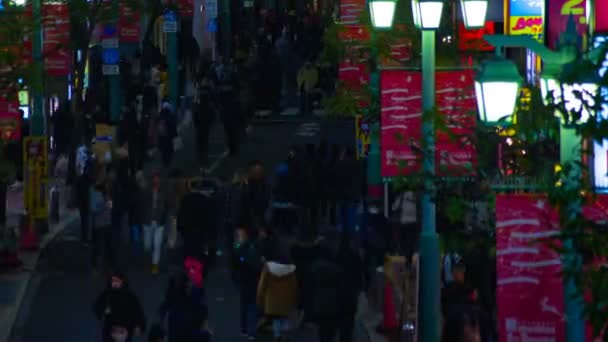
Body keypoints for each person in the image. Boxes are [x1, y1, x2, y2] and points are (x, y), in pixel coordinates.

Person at [93, 272, 146, 342]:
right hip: (110, 330)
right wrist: (103, 310)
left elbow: (137, 312)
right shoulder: (107, 295)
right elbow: (98, 308)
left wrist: (139, 325)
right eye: (113, 281)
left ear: (122, 281)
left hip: (125, 330)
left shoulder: (130, 297)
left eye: (117, 281)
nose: (115, 283)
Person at [256, 257, 298, 342]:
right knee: (285, 318)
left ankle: (277, 335)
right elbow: (294, 286)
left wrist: (260, 299)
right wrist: (295, 299)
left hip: (272, 300)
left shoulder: (268, 269)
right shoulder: (290, 271)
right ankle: (285, 336)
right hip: (286, 299)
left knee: (276, 319)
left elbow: (262, 285)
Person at [309, 246, 344, 342]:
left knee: (322, 329)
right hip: (333, 303)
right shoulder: (336, 269)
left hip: (319, 303)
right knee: (331, 330)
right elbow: (340, 287)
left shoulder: (315, 267)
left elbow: (311, 286)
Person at [234, 227, 262, 340]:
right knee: (251, 306)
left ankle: (245, 329)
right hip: (251, 280)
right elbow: (255, 266)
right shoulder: (251, 249)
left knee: (245, 305)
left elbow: (238, 265)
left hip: (245, 280)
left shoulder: (241, 249)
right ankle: (250, 331)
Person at [139, 171, 168, 274]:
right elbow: (141, 203)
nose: (156, 180)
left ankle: (155, 265)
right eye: (154, 178)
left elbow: (167, 204)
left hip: (159, 222)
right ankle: (150, 257)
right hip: (147, 221)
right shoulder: (147, 190)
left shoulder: (164, 191)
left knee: (157, 244)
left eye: (158, 178)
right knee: (147, 245)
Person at [90, 179, 112, 273]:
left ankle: (102, 266)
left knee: (104, 246)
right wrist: (104, 204)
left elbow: (110, 207)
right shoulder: (98, 196)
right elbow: (94, 210)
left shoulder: (107, 196)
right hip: (100, 224)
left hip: (105, 223)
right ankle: (98, 266)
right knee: (99, 246)